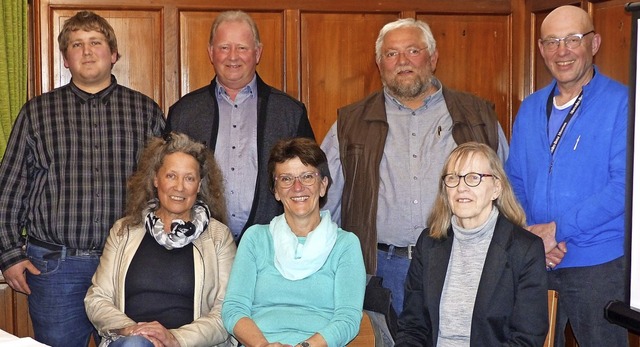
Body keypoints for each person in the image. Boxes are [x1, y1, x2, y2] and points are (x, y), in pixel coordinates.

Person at [320, 17, 509, 314]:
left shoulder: (477, 116)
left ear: (433, 58)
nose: (402, 61)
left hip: (459, 259)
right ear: (379, 63)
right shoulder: (349, 124)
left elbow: (507, 192)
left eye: (413, 51)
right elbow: (325, 201)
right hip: (381, 267)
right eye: (391, 54)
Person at [0, 10, 165, 346]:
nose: (87, 51)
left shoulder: (145, 111)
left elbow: (166, 185)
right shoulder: (37, 113)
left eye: (96, 42)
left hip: (128, 264)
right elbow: (9, 190)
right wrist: (9, 256)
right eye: (77, 44)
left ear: (114, 54)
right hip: (55, 268)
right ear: (65, 58)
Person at [505, 5, 628, 347]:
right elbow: (513, 180)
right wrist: (533, 236)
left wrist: (557, 231)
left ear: (595, 43)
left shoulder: (624, 104)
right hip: (536, 261)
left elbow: (624, 187)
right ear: (542, 49)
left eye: (573, 39)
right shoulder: (530, 107)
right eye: (552, 41)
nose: (562, 51)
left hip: (598, 266)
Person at [166, 10, 315, 241]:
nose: (232, 56)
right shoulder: (183, 113)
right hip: (199, 244)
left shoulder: (290, 113)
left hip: (272, 245)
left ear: (257, 53)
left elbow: (310, 181)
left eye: (242, 48)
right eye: (224, 47)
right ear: (211, 53)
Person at [85, 132, 236, 347]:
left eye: (189, 178)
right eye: (171, 176)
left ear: (199, 186)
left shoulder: (218, 237)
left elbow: (226, 311)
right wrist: (134, 332)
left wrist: (175, 339)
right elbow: (97, 298)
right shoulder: (124, 230)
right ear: (156, 179)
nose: (180, 187)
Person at [395, 142, 548, 346]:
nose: (461, 187)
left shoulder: (525, 249)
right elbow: (412, 327)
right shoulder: (429, 243)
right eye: (453, 178)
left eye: (474, 178)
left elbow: (526, 339)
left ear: (496, 188)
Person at [222, 137, 366, 347]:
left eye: (307, 177)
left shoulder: (346, 245)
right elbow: (233, 309)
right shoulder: (255, 239)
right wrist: (264, 346)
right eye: (286, 179)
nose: (297, 187)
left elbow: (348, 319)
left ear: (323, 185)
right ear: (276, 191)